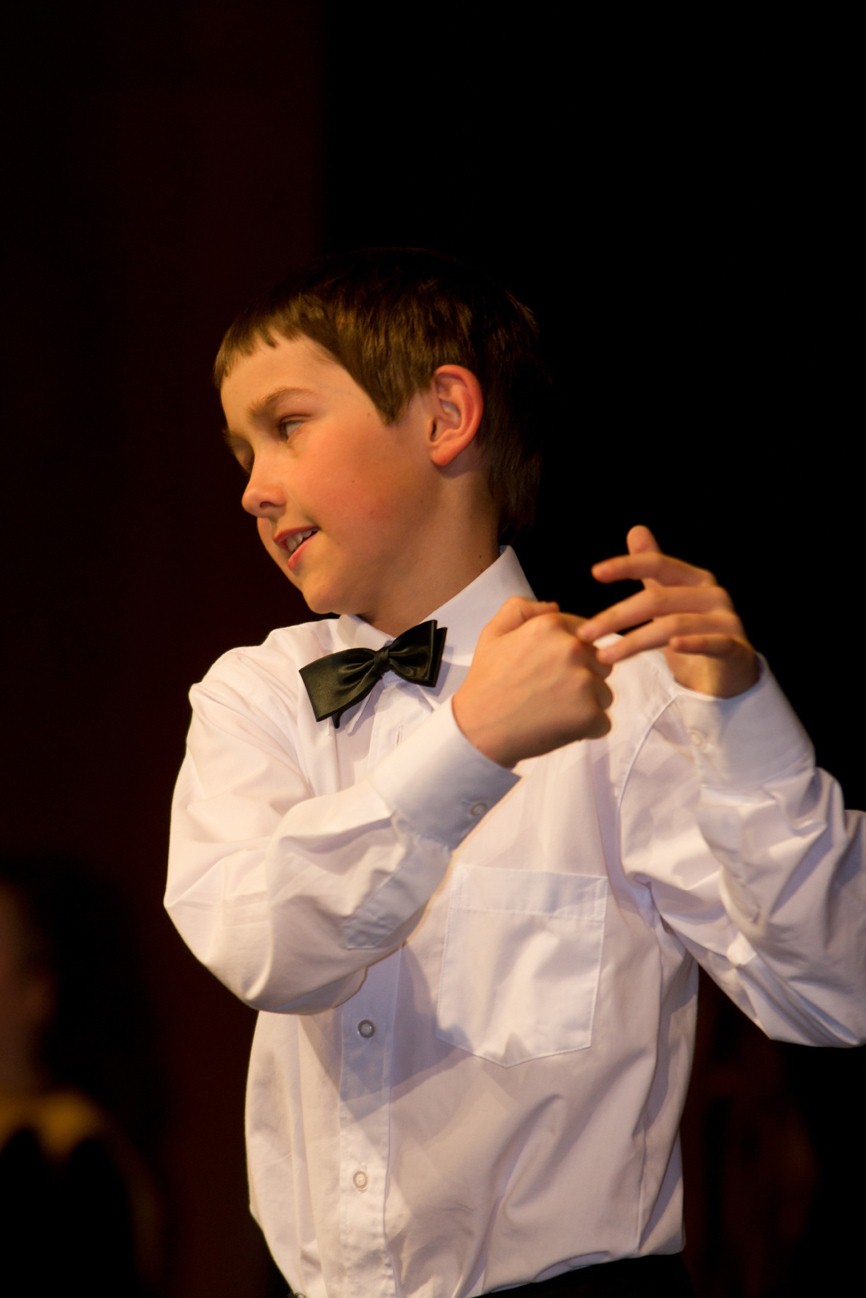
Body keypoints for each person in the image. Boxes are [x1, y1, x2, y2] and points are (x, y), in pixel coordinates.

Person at [165, 248, 866, 1298]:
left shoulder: (630, 705)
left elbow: (833, 994)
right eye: (241, 450)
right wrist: (469, 744)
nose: (253, 489)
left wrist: (743, 722)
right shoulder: (260, 694)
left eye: (286, 425)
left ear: (446, 416)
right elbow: (267, 946)